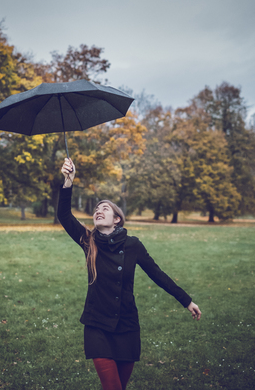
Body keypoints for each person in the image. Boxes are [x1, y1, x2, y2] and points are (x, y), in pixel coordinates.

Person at [57, 158, 201, 390]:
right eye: (96, 209)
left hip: (127, 325)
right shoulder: (88, 241)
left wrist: (186, 300)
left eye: (105, 208)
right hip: (97, 325)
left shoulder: (133, 245)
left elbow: (157, 274)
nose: (98, 211)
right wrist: (68, 181)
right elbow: (64, 215)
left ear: (117, 219)